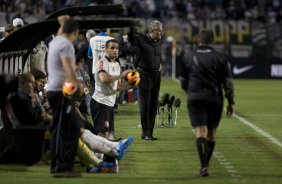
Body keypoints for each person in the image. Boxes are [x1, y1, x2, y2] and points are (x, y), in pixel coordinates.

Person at [179, 29, 235, 176]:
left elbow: (183, 81)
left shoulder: (188, 56)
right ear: (213, 42)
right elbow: (227, 82)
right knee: (211, 133)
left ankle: (203, 165)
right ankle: (206, 164)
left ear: (198, 40)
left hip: (195, 98)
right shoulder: (221, 58)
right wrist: (231, 101)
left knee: (200, 131)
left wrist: (190, 92)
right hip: (214, 99)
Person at [46, 17, 83, 177]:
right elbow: (68, 66)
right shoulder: (66, 44)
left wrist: (64, 21)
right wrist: (77, 85)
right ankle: (58, 168)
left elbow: (63, 28)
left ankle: (65, 166)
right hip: (61, 92)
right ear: (75, 32)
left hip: (56, 91)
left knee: (74, 127)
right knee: (60, 130)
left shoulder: (56, 41)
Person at [127, 20, 164, 140]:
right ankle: (145, 132)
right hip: (144, 75)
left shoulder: (159, 41)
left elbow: (157, 56)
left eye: (161, 31)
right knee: (145, 105)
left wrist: (159, 63)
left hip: (156, 76)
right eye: (159, 31)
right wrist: (132, 28)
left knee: (154, 105)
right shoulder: (141, 39)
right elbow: (131, 39)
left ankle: (150, 133)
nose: (161, 33)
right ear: (152, 31)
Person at [90, 39, 132, 139]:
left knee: (110, 134)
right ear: (106, 50)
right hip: (100, 103)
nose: (115, 50)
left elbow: (117, 87)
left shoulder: (117, 65)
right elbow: (103, 79)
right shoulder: (102, 62)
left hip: (110, 104)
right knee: (102, 134)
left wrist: (130, 86)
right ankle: (97, 154)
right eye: (112, 48)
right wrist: (121, 76)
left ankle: (107, 154)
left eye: (117, 48)